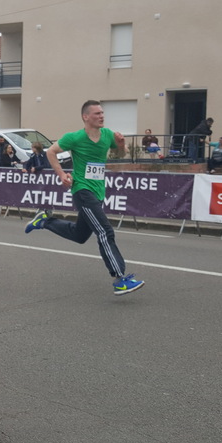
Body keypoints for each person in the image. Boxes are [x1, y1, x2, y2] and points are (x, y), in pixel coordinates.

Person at [24, 100, 144, 296]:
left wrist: (122, 144)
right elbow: (51, 152)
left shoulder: (107, 134)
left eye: (102, 113)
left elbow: (120, 153)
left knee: (79, 236)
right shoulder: (75, 137)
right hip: (82, 190)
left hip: (98, 192)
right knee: (105, 231)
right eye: (97, 113)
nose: (102, 116)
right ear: (85, 117)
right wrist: (61, 175)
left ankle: (44, 221)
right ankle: (119, 278)